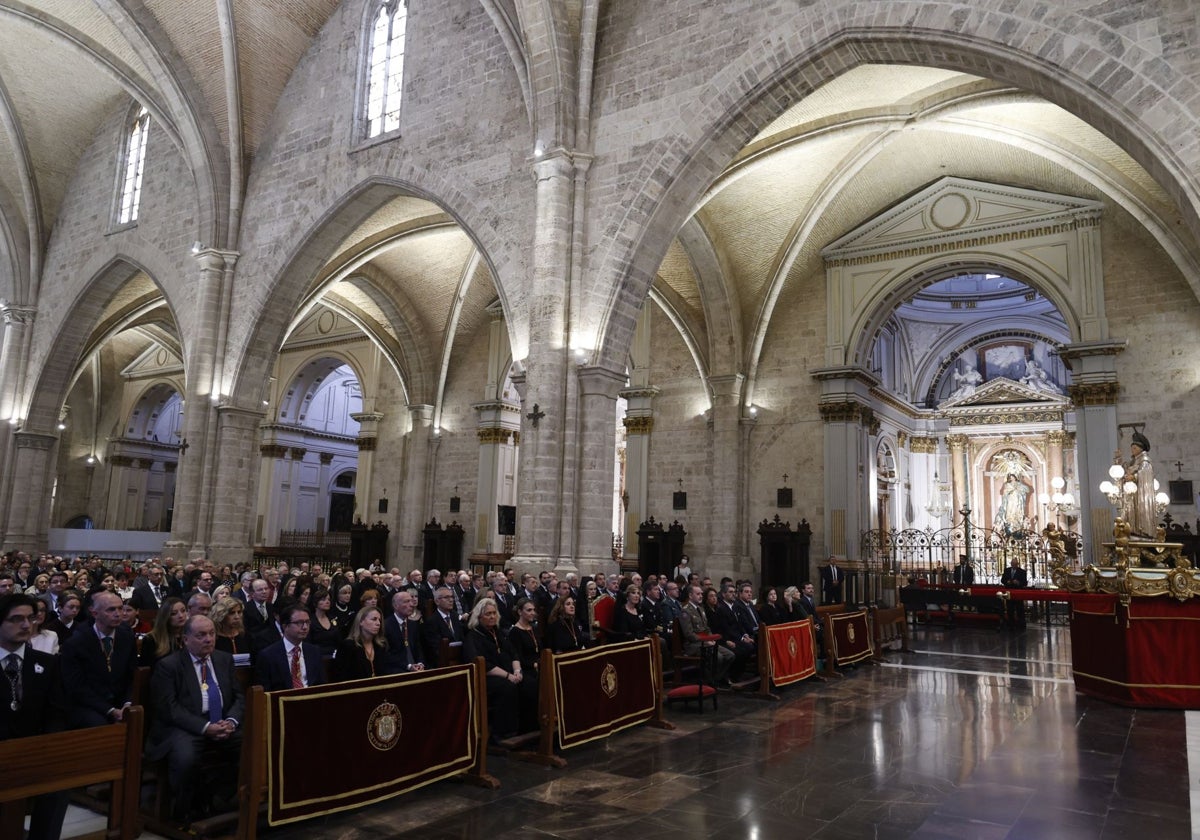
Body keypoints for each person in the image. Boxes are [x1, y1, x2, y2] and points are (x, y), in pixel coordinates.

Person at [147, 615, 244, 822]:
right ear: (185, 639)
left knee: (255, 747)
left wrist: (232, 721)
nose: (208, 639)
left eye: (211, 634)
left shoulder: (223, 659)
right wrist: (205, 727)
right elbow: (169, 709)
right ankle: (183, 812)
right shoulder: (169, 666)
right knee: (186, 758)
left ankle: (217, 797)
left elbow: (239, 696)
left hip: (223, 722)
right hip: (186, 726)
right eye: (201, 635)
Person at [0, 593, 69, 840]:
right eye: (16, 619)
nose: (27, 625)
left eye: (30, 618)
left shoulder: (46, 663)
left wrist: (46, 747)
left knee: (58, 786)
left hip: (33, 751)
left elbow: (56, 712)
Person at [60, 590, 138, 727]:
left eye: (120, 608)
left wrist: (128, 703)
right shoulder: (76, 643)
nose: (118, 614)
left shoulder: (126, 636)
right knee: (98, 723)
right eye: (111, 609)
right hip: (90, 704)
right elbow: (77, 687)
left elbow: (132, 675)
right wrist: (111, 710)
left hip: (120, 700)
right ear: (95, 613)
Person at [463, 598, 521, 740]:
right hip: (485, 678)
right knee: (507, 687)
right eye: (488, 614)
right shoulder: (473, 636)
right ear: (479, 616)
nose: (492, 616)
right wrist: (508, 676)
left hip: (507, 673)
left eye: (494, 613)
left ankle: (524, 727)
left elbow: (513, 652)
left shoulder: (498, 632)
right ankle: (500, 733)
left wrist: (517, 671)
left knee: (528, 684)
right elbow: (483, 664)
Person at [254, 604, 326, 691]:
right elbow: (265, 692)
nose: (305, 627)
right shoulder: (268, 655)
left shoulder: (314, 651)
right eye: (299, 623)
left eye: (307, 622)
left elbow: (322, 685)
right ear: (285, 626)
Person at [678, 583, 734, 685]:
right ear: (690, 595)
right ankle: (711, 681)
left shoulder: (701, 609)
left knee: (730, 655)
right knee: (719, 658)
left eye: (701, 594)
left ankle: (715, 678)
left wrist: (711, 638)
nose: (701, 596)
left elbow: (707, 628)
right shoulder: (685, 611)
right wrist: (705, 641)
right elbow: (689, 634)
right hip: (693, 645)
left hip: (706, 641)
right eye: (698, 594)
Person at [334, 606, 388, 681]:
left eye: (380, 620)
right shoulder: (348, 646)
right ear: (361, 621)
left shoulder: (381, 646)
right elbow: (341, 677)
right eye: (374, 619)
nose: (378, 623)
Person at [1125, 431, 1158, 538]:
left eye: (1134, 448)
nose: (1132, 450)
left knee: (1140, 513)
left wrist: (1134, 477)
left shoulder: (1145, 461)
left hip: (1142, 495)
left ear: (1141, 448)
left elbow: (1145, 474)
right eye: (1132, 448)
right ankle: (1134, 530)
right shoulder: (1134, 462)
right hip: (1133, 495)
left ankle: (1143, 531)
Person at [382, 590, 425, 673]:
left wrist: (420, 663)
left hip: (416, 669)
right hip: (397, 670)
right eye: (407, 602)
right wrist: (408, 666)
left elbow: (418, 648)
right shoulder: (386, 626)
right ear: (395, 605)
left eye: (412, 601)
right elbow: (387, 655)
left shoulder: (413, 624)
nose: (412, 605)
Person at [140, 597, 189, 667]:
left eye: (183, 611)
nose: (181, 616)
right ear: (166, 616)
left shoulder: (190, 635)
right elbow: (146, 670)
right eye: (174, 613)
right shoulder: (151, 639)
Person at [422, 585, 465, 664]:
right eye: (447, 597)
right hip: (443, 662)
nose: (451, 600)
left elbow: (462, 637)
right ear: (437, 601)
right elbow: (435, 649)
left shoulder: (455, 616)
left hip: (461, 659)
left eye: (452, 597)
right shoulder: (431, 622)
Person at [305, 587, 342, 654]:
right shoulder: (310, 621)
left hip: (334, 655)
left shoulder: (333, 618)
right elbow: (308, 643)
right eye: (323, 600)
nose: (327, 602)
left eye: (328, 599)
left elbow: (338, 640)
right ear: (315, 602)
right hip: (317, 655)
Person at [999, 557, 1029, 629]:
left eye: (1015, 564)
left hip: (1018, 593)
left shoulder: (1022, 572)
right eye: (1012, 564)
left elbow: (1024, 582)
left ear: (1017, 564)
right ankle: (1011, 625)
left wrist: (1018, 583)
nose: (1013, 565)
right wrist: (1007, 582)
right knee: (1010, 610)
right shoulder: (1007, 570)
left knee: (1020, 610)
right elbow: (1003, 580)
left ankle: (1021, 625)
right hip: (1009, 593)